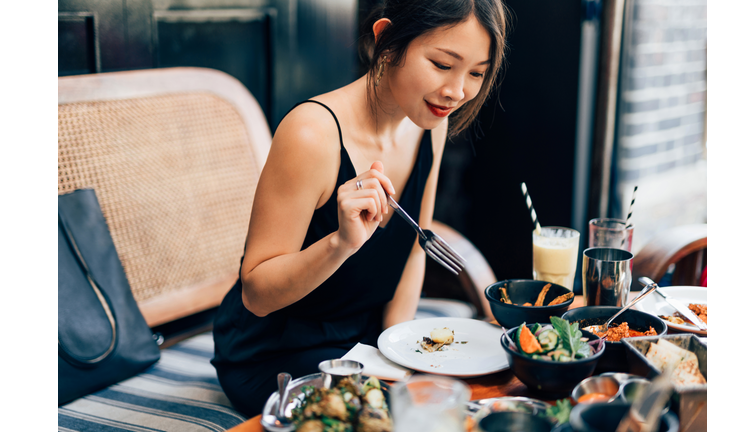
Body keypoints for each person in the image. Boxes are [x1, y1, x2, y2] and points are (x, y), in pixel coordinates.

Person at [211, 0, 511, 417]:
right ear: (387, 40)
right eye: (443, 64)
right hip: (276, 353)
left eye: (476, 72)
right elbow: (257, 295)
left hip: (364, 343)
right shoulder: (311, 133)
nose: (457, 91)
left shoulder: (431, 124)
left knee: (479, 400)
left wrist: (399, 354)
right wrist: (340, 243)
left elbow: (413, 250)